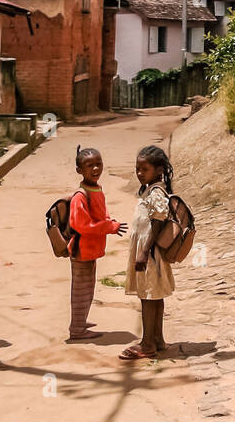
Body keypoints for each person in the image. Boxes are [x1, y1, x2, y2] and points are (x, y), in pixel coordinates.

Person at [121, 145, 176, 360]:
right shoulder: (149, 189)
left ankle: (147, 343)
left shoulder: (156, 192)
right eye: (137, 169)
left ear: (159, 170)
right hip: (150, 252)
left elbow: (158, 222)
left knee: (147, 297)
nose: (139, 173)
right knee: (155, 296)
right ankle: (158, 339)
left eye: (145, 169)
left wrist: (143, 252)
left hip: (150, 253)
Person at [67, 146, 127, 341]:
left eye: (98, 164)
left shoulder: (95, 189)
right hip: (82, 250)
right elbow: (83, 225)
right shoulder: (80, 196)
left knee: (88, 287)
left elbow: (100, 214)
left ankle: (80, 321)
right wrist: (110, 226)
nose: (95, 169)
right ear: (79, 170)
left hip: (90, 250)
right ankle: (77, 329)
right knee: (81, 290)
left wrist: (109, 222)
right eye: (89, 165)